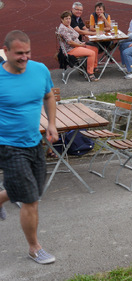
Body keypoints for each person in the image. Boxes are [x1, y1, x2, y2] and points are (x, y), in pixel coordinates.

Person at [0, 30, 58, 264]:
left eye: (28, 52)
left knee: (33, 190)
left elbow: (49, 96)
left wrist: (51, 124)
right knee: (30, 199)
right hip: (8, 145)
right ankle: (34, 248)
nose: (24, 57)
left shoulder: (40, 70)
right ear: (6, 52)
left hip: (35, 141)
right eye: (19, 53)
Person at [58, 11, 99, 82]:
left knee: (94, 48)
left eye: (69, 18)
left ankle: (94, 68)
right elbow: (70, 42)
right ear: (62, 19)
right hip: (71, 50)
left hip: (77, 46)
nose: (68, 20)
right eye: (66, 19)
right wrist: (80, 45)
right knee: (91, 53)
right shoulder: (63, 29)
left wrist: (81, 43)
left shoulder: (68, 26)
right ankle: (90, 74)